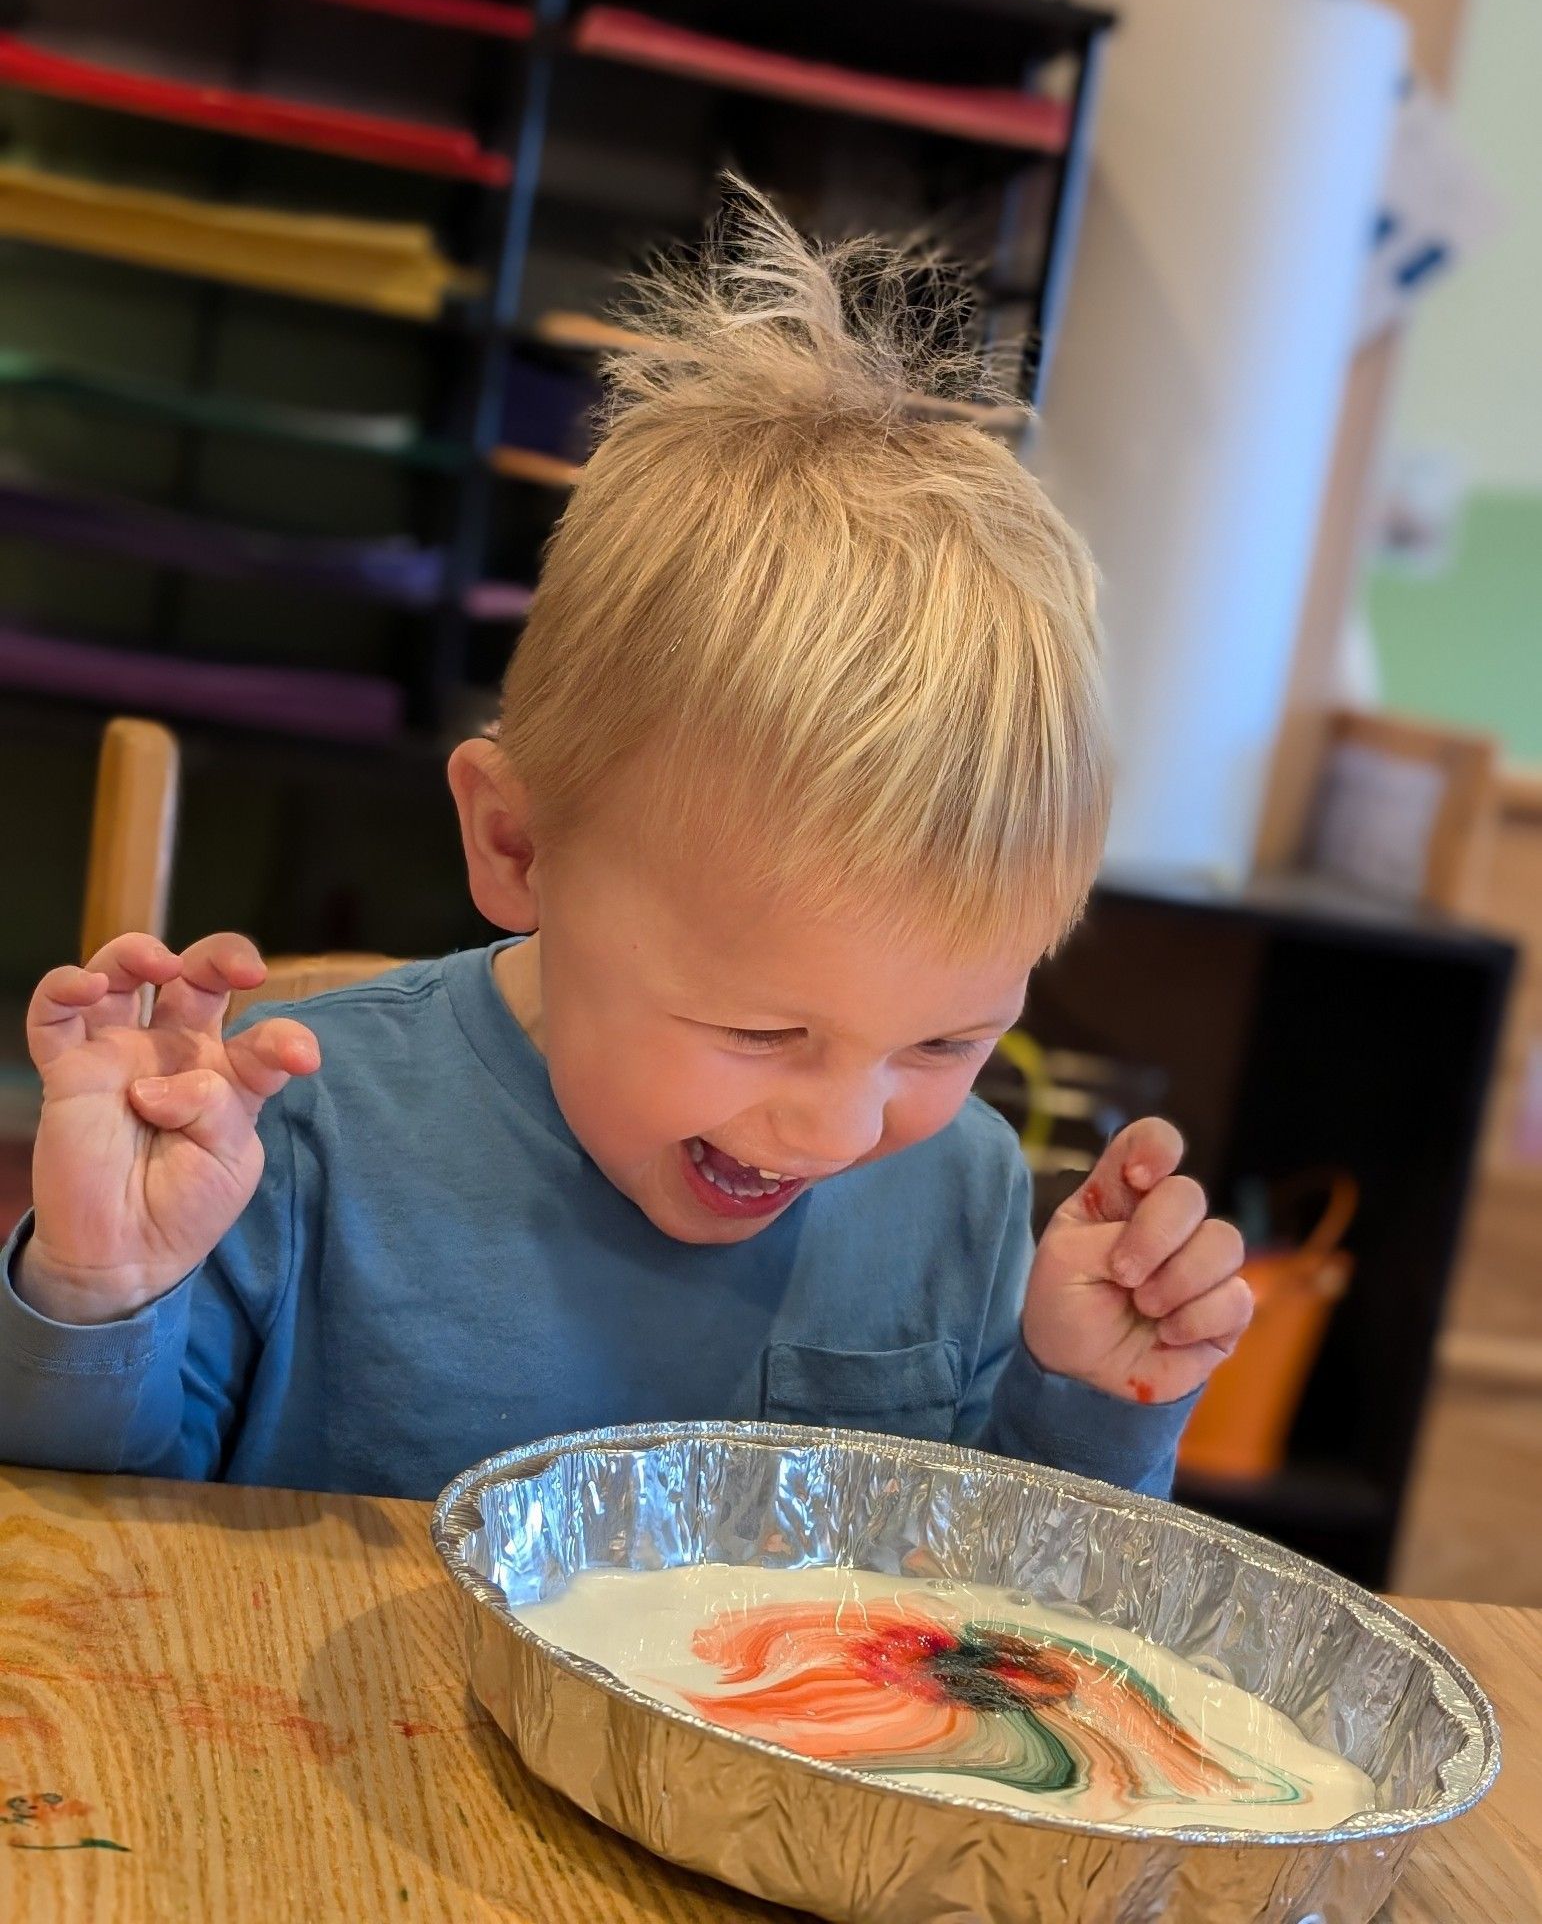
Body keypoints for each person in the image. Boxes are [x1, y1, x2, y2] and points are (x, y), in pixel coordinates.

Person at [1, 189, 1250, 1501]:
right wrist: (99, 1292)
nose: (835, 1127)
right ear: (518, 846)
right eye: (762, 1032)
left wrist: (1091, 1406)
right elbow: (95, 1574)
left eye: (944, 1041)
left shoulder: (960, 1190)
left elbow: (973, 1616)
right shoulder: (299, 1144)